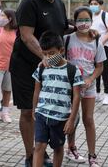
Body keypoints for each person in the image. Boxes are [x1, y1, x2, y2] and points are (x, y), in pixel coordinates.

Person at [9, 0, 69, 167]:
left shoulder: (60, 4)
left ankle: (42, 151)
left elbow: (59, 31)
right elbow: (27, 36)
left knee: (47, 110)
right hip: (25, 66)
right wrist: (45, 57)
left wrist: (85, 31)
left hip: (49, 69)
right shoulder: (30, 3)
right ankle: (31, 155)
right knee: (28, 111)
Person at [32, 31, 84, 167]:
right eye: (45, 53)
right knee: (39, 146)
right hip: (42, 114)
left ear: (61, 50)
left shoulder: (73, 70)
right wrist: (34, 109)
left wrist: (71, 119)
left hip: (60, 118)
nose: (48, 57)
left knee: (58, 148)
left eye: (51, 53)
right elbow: (37, 90)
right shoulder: (42, 68)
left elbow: (77, 96)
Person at [64, 6, 106, 167]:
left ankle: (92, 156)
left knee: (88, 119)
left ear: (91, 21)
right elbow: (59, 58)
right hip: (70, 87)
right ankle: (71, 148)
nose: (83, 23)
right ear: (75, 22)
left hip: (88, 87)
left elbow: (100, 67)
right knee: (72, 118)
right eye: (80, 20)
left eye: (86, 20)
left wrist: (90, 79)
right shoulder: (67, 39)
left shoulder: (97, 41)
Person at [88, 0, 108, 105]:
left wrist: (101, 42)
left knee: (103, 70)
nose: (93, 5)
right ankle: (97, 93)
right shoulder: (90, 16)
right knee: (95, 69)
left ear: (100, 5)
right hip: (92, 47)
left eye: (95, 3)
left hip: (104, 46)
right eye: (91, 4)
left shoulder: (105, 16)